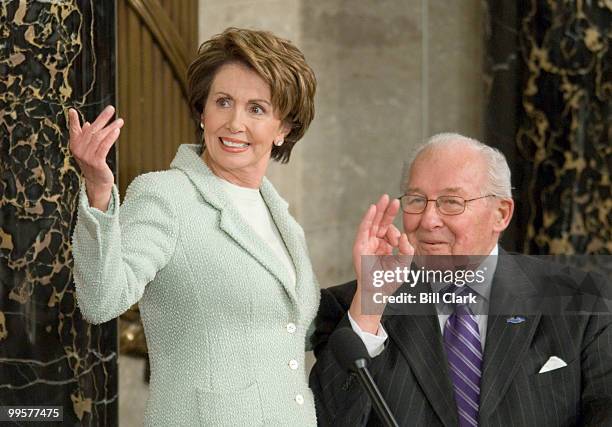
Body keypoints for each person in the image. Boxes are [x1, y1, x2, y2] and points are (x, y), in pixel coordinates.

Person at [70, 28, 319, 426]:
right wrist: (99, 190)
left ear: (284, 128)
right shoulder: (165, 196)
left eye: (256, 108)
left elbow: (283, 337)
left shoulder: (283, 219)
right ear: (202, 112)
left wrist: (374, 282)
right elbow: (101, 300)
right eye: (223, 102)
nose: (234, 122)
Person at [309, 133, 612, 426]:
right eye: (416, 200)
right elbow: (330, 420)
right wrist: (371, 302)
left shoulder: (582, 299)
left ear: (501, 214)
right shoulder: (354, 305)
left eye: (451, 202)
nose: (428, 220)